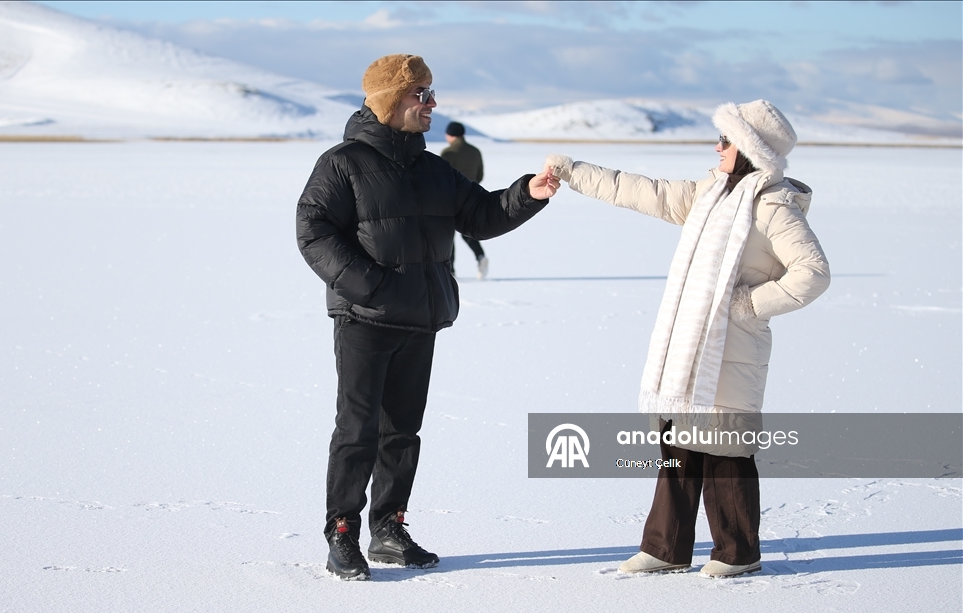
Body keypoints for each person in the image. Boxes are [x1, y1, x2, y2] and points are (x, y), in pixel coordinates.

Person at [297, 54, 559, 581]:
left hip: (419, 316)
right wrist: (373, 286)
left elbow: (480, 215)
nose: (432, 104)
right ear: (390, 101)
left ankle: (389, 528)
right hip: (365, 317)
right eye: (422, 94)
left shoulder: (433, 167)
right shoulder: (343, 162)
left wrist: (527, 194)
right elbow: (314, 231)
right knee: (357, 428)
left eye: (431, 92)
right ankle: (342, 531)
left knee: (403, 431)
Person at [545, 100, 830, 578]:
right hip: (690, 343)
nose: (716, 147)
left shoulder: (772, 205)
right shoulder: (710, 193)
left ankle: (738, 553)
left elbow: (812, 274)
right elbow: (644, 191)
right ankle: (666, 548)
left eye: (726, 140)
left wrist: (749, 306)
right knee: (679, 443)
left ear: (750, 149)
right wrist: (574, 171)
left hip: (735, 346)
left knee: (727, 448)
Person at [441, 121, 489, 279]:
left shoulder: (448, 152)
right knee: (467, 232)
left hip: (450, 199)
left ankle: (450, 270)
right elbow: (480, 175)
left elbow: (441, 178)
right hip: (472, 197)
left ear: (450, 135)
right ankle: (481, 256)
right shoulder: (475, 151)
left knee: (448, 235)